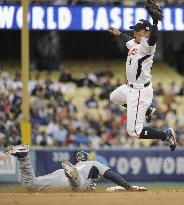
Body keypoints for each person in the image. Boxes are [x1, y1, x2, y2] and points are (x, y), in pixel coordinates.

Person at [108, 18, 176, 151]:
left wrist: (155, 22)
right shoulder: (135, 42)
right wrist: (119, 33)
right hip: (129, 87)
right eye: (134, 30)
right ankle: (148, 110)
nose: (135, 33)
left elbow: (153, 38)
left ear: (146, 33)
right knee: (114, 97)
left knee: (134, 131)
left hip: (139, 91)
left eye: (138, 31)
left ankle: (165, 135)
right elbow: (128, 39)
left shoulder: (147, 47)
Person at [4, 144, 146, 192]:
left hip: (60, 175)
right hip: (77, 179)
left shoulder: (81, 164)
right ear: (87, 158)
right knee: (80, 185)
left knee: (31, 185)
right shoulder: (93, 163)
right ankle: (73, 175)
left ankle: (23, 157)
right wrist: (127, 187)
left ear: (77, 160)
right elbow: (111, 175)